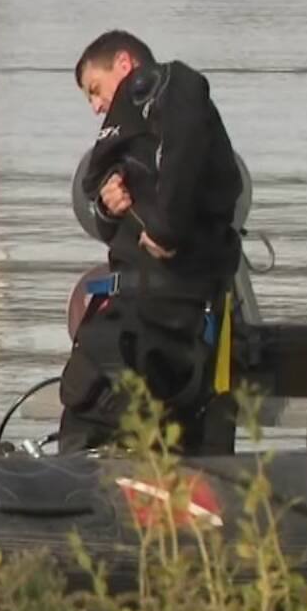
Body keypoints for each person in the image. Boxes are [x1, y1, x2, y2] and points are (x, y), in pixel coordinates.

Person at [60, 30, 244, 455]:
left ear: (125, 64)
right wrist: (109, 204)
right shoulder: (134, 134)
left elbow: (181, 164)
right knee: (102, 405)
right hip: (137, 310)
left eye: (95, 89)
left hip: (165, 316)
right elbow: (109, 222)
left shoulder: (173, 88)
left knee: (92, 405)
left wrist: (165, 229)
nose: (96, 106)